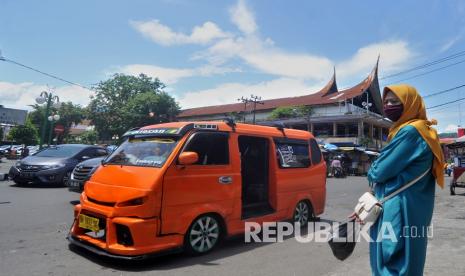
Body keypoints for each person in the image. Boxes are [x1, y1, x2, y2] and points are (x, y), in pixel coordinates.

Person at [365, 84, 444, 275]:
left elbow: (378, 171)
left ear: (410, 103)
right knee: (409, 258)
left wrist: (374, 167)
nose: (389, 106)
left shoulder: (411, 132)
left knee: (392, 261)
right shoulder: (423, 131)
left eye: (395, 101)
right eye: (386, 102)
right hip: (414, 206)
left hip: (399, 208)